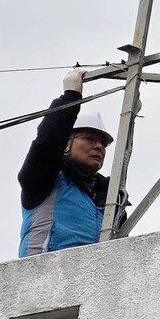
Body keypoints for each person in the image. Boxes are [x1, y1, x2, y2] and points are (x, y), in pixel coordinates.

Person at [18, 70, 121, 256]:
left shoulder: (107, 197)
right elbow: (48, 142)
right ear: (66, 144)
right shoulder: (45, 181)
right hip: (41, 276)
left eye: (103, 144)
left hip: (93, 281)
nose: (98, 147)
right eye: (89, 139)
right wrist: (70, 98)